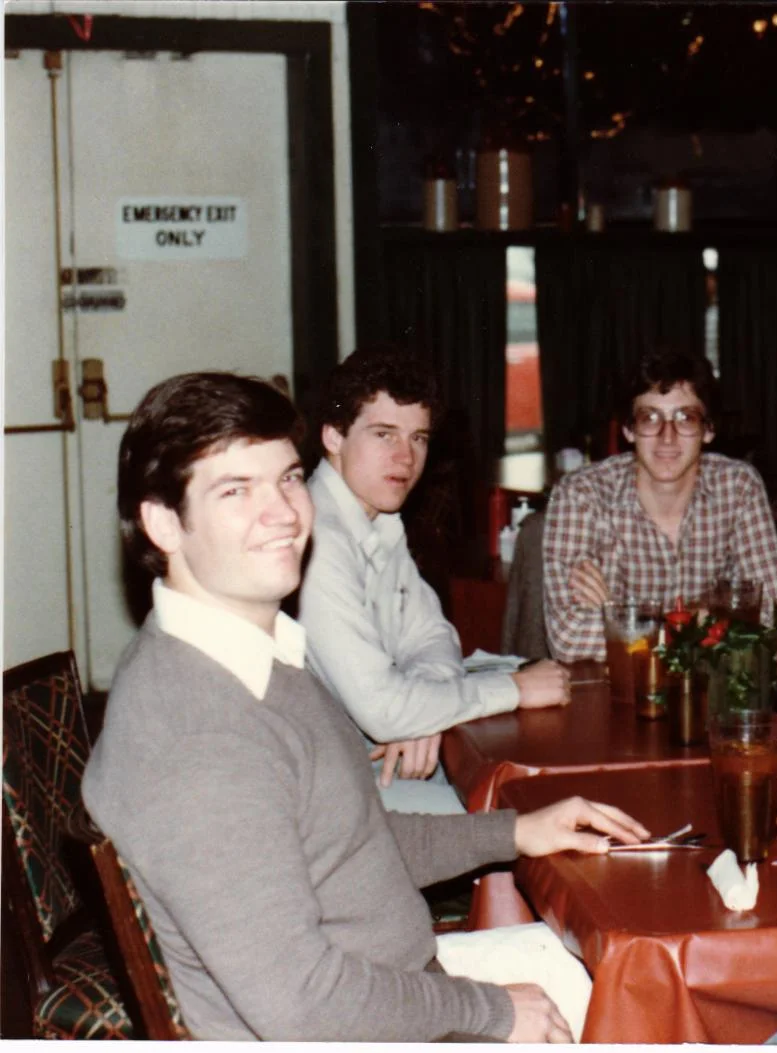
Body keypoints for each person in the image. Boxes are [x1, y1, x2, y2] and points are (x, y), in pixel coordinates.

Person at [83, 372, 649, 1041]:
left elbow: (351, 840)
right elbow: (301, 1006)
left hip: (394, 990)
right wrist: (490, 1010)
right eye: (236, 490)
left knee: (638, 971)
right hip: (362, 1023)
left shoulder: (254, 656)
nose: (284, 513)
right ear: (162, 523)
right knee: (652, 1001)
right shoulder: (203, 736)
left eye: (288, 479)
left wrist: (514, 831)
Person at [298, 348, 570, 816]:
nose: (405, 457)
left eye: (418, 438)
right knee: (516, 815)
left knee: (533, 794)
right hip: (323, 791)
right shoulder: (315, 539)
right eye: (384, 434)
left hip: (373, 759)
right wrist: (516, 689)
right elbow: (384, 711)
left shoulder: (377, 519)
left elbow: (433, 636)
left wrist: (421, 712)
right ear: (333, 436)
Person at [543, 351, 777, 661]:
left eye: (685, 418)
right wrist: (701, 619)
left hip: (707, 686)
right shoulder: (581, 495)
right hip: (615, 686)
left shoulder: (738, 487)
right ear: (628, 429)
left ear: (709, 429)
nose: (667, 437)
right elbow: (569, 639)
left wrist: (623, 621)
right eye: (650, 418)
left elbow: (776, 619)